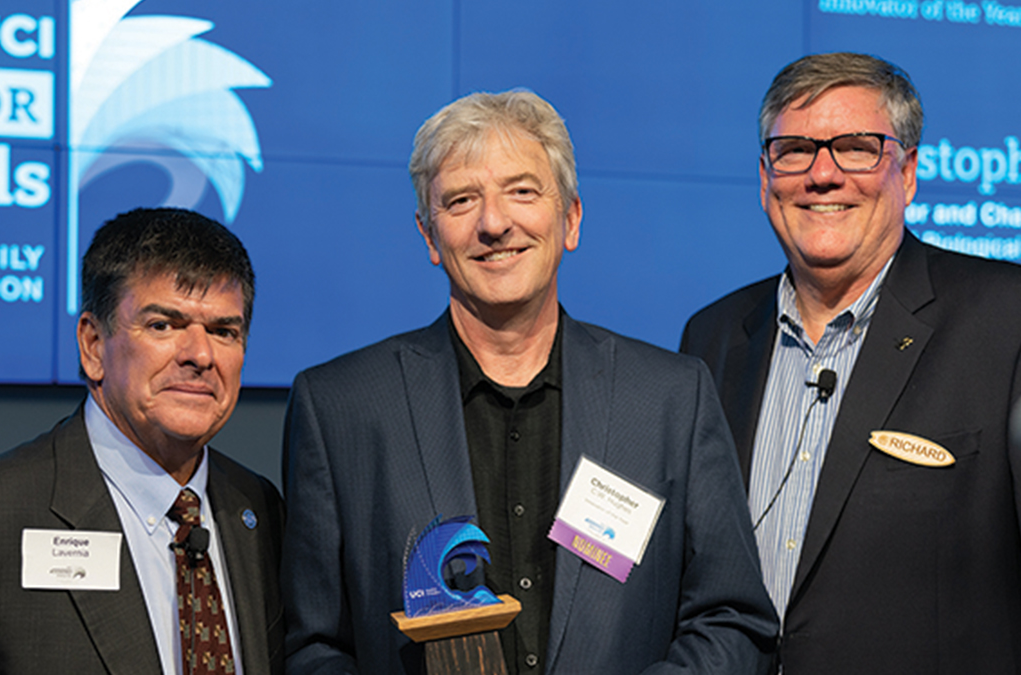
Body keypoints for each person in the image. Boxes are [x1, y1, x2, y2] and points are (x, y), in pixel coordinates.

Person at [282, 90, 778, 675]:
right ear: (428, 236)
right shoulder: (341, 407)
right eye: (463, 200)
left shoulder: (672, 397)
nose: (495, 223)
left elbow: (733, 618)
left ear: (569, 219)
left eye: (522, 191)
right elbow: (313, 648)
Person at [680, 52, 1021, 673]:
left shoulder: (1020, 322)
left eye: (857, 148)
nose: (823, 174)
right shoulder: (713, 337)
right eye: (795, 150)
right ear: (764, 176)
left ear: (908, 173)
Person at [0, 208, 285, 675]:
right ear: (93, 345)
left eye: (223, 331)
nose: (199, 355)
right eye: (163, 325)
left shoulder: (262, 513)